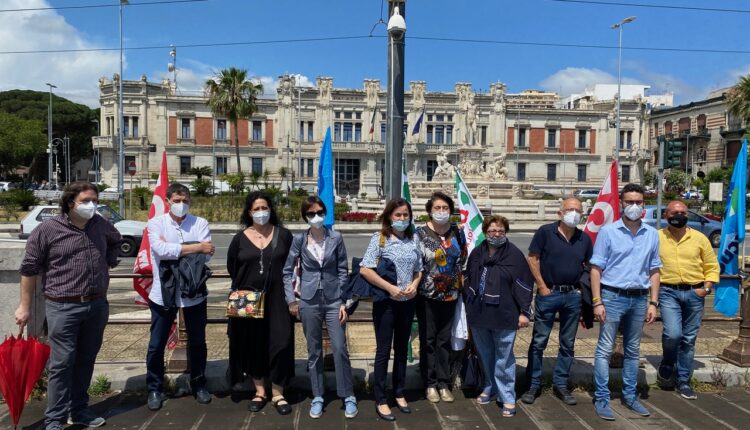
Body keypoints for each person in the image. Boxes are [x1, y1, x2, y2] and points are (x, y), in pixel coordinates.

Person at [16, 181, 121, 430]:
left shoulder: (100, 224)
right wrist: (24, 306)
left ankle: (80, 410)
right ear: (70, 202)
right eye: (85, 201)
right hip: (63, 307)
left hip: (96, 305)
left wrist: (108, 261)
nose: (91, 205)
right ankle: (55, 420)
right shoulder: (48, 230)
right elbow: (29, 269)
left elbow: (116, 240)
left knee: (86, 359)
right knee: (61, 364)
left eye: (94, 200)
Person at [590, 183, 661, 421]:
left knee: (633, 350)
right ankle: (602, 398)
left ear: (644, 205)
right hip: (612, 296)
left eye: (638, 202)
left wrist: (653, 302)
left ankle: (629, 396)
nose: (633, 206)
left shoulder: (651, 234)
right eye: (629, 202)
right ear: (621, 203)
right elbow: (596, 269)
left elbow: (654, 271)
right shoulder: (608, 232)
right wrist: (597, 301)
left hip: (639, 298)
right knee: (604, 349)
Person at [282, 196, 358, 419]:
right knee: (314, 350)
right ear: (305, 217)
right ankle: (317, 395)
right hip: (308, 299)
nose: (316, 217)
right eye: (311, 214)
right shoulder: (299, 240)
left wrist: (344, 301)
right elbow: (287, 271)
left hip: (334, 299)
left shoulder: (335, 236)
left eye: (319, 212)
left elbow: (343, 269)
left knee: (340, 347)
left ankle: (348, 395)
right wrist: (291, 300)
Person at [145, 183, 215, 411]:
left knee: (198, 342)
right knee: (156, 345)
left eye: (185, 200)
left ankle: (199, 384)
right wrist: (196, 247)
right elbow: (160, 250)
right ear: (167, 201)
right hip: (162, 294)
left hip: (193, 294)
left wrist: (178, 249)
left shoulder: (200, 223)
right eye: (176, 200)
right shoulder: (156, 223)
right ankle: (154, 388)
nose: (181, 204)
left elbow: (206, 257)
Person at [227, 191, 294, 415]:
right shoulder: (239, 238)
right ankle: (259, 391)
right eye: (256, 209)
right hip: (249, 300)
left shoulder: (284, 235)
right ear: (249, 212)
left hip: (279, 299)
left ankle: (278, 392)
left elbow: (294, 266)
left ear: (271, 209)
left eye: (264, 208)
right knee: (254, 343)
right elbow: (232, 267)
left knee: (281, 342)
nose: (260, 212)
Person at [522, 197, 592, 406]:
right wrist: (542, 287)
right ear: (560, 213)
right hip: (549, 293)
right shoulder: (545, 232)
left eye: (578, 210)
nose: (574, 213)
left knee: (567, 343)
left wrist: (581, 290)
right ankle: (533, 384)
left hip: (572, 296)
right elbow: (533, 259)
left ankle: (561, 384)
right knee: (538, 341)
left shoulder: (584, 238)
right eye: (570, 209)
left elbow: (589, 265)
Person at [360, 198, 423, 422]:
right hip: (386, 302)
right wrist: (390, 288)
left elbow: (419, 269)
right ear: (389, 217)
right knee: (383, 350)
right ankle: (380, 397)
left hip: (407, 302)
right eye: (398, 215)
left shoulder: (413, 238)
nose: (402, 219)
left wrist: (414, 285)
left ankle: (399, 391)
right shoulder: (380, 239)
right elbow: (365, 269)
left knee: (402, 348)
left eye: (406, 215)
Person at [464, 215, 533, 418]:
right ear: (486, 232)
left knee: (504, 358)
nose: (496, 234)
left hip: (505, 314)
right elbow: (468, 278)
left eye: (500, 231)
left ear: (506, 232)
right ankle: (490, 386)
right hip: (480, 313)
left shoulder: (514, 255)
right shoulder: (477, 253)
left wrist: (524, 312)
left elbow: (524, 284)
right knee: (486, 355)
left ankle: (508, 396)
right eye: (492, 231)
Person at [657, 200, 720, 399]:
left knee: (689, 339)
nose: (679, 215)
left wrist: (706, 288)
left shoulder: (700, 238)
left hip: (695, 293)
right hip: (668, 292)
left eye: (683, 212)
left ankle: (683, 380)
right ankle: (668, 361)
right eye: (675, 212)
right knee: (673, 334)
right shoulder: (656, 237)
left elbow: (711, 265)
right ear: (666, 214)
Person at [415, 192, 467, 403]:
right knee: (428, 339)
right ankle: (429, 383)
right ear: (429, 210)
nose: (441, 212)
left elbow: (463, 260)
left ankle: (444, 383)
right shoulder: (420, 234)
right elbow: (416, 263)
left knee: (444, 339)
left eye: (445, 208)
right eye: (437, 208)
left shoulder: (457, 232)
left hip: (451, 295)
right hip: (426, 294)